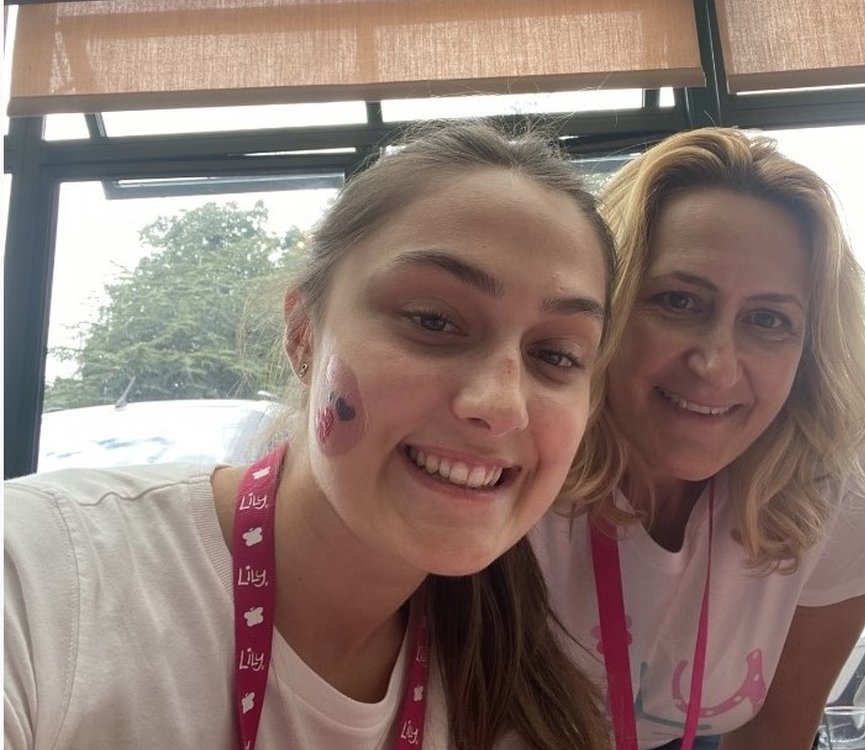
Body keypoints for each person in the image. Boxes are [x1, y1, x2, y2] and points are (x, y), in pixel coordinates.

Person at [4, 121, 620, 750]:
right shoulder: (42, 576)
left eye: (558, 354)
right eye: (433, 320)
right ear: (303, 335)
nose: (499, 405)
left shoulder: (515, 692)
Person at [532, 127, 865, 750]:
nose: (715, 364)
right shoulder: (513, 443)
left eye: (768, 320)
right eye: (678, 301)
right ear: (607, 304)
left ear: (810, 350)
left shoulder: (840, 466)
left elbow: (773, 733)